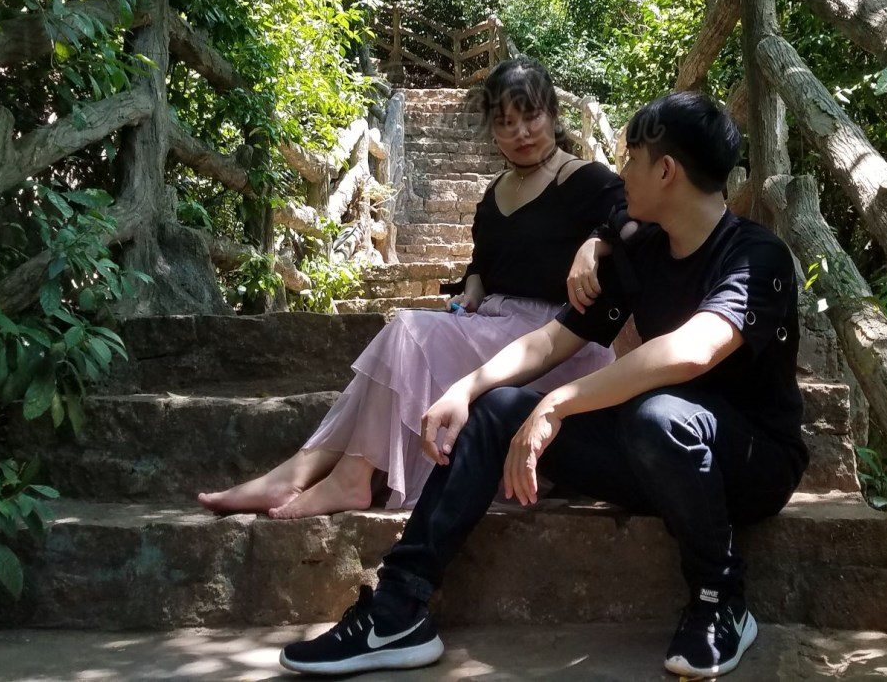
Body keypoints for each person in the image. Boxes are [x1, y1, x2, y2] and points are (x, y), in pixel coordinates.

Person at [277, 92, 807, 679]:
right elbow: (554, 339)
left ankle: (720, 598)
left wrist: (559, 402)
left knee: (657, 415)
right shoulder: (642, 250)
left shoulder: (757, 256)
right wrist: (467, 388)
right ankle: (398, 607)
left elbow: (692, 350)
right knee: (499, 408)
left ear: (665, 170)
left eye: (631, 158)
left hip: (751, 467)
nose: (621, 171)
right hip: (652, 458)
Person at [197, 57, 622, 520]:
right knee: (402, 342)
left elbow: (635, 221)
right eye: (505, 122)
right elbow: (482, 265)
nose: (520, 132)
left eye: (531, 116)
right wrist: (473, 288)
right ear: (491, 128)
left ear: (553, 114)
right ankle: (300, 472)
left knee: (408, 331)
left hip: (557, 341)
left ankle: (348, 478)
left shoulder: (586, 180)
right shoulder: (496, 190)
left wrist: (596, 243)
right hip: (495, 325)